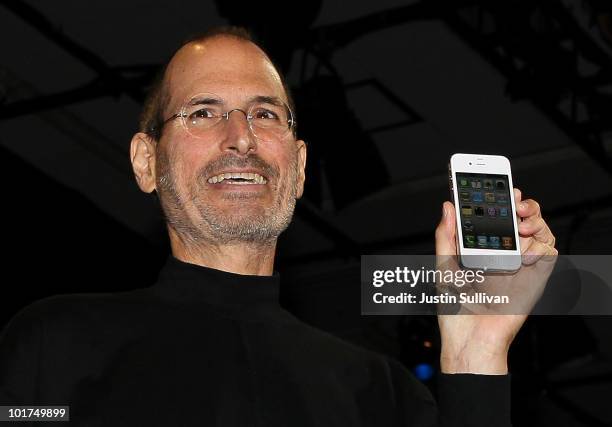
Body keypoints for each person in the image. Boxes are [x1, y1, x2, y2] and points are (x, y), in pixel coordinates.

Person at [0, 26, 557, 426]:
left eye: (265, 114)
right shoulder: (57, 344)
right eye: (203, 112)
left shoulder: (379, 394)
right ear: (147, 162)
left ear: (300, 168)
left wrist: (475, 354)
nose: (241, 137)